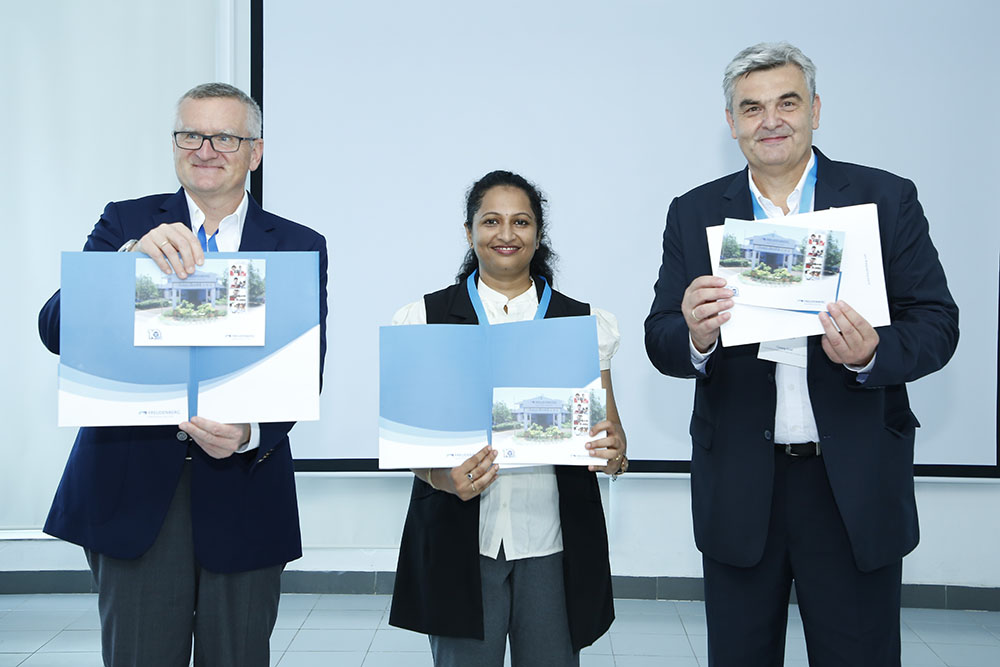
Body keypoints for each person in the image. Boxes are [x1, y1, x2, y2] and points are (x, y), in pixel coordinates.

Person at [644, 43, 958, 667]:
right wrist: (698, 337)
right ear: (731, 123)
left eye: (787, 102)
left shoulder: (885, 199)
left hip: (851, 485)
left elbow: (938, 322)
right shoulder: (696, 212)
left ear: (815, 109)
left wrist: (874, 352)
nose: (771, 120)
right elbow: (662, 336)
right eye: (751, 108)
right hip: (740, 484)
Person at [38, 83, 328, 667]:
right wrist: (125, 264)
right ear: (175, 145)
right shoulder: (127, 223)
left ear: (256, 151)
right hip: (132, 487)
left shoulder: (298, 244)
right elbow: (56, 330)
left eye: (226, 136)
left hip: (245, 486)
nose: (206, 148)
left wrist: (250, 432)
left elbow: (303, 367)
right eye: (190, 134)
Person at [388, 170, 627, 667]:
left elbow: (611, 436)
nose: (506, 234)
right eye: (491, 221)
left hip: (553, 539)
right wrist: (440, 477)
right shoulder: (425, 319)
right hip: (461, 538)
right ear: (469, 230)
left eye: (521, 222)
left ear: (538, 234)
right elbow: (408, 441)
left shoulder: (581, 322)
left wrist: (615, 453)